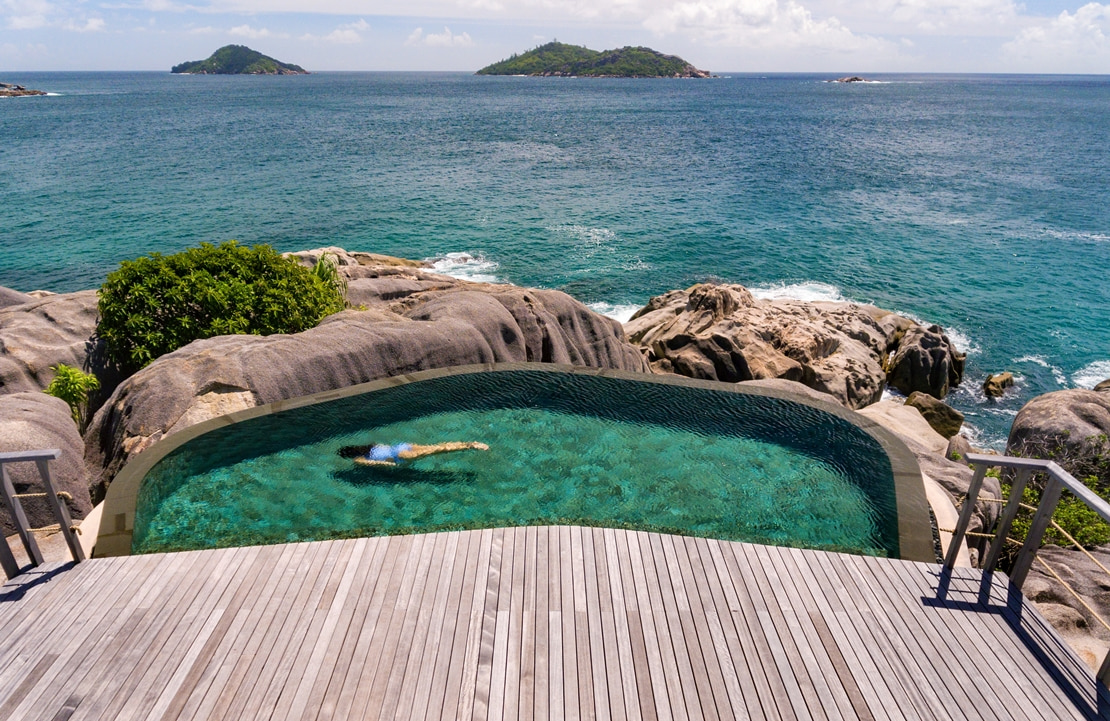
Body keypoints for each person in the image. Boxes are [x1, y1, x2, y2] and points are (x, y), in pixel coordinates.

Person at [338, 441, 489, 466]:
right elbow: (387, 448)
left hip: (400, 456)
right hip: (403, 446)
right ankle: (467, 444)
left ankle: (470, 446)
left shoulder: (358, 460)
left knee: (435, 451)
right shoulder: (370, 447)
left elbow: (378, 463)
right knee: (435, 447)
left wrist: (393, 465)